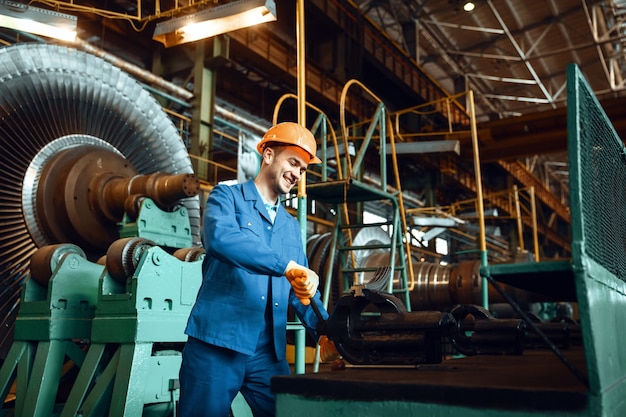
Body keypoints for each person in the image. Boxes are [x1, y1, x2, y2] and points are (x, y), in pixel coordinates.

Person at [178, 122, 339, 417]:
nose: (297, 174)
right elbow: (220, 239)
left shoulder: (290, 227)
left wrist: (327, 332)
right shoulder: (227, 198)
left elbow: (299, 288)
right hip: (218, 344)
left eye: (303, 169)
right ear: (267, 154)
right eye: (293, 162)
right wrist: (285, 265)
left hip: (268, 353)